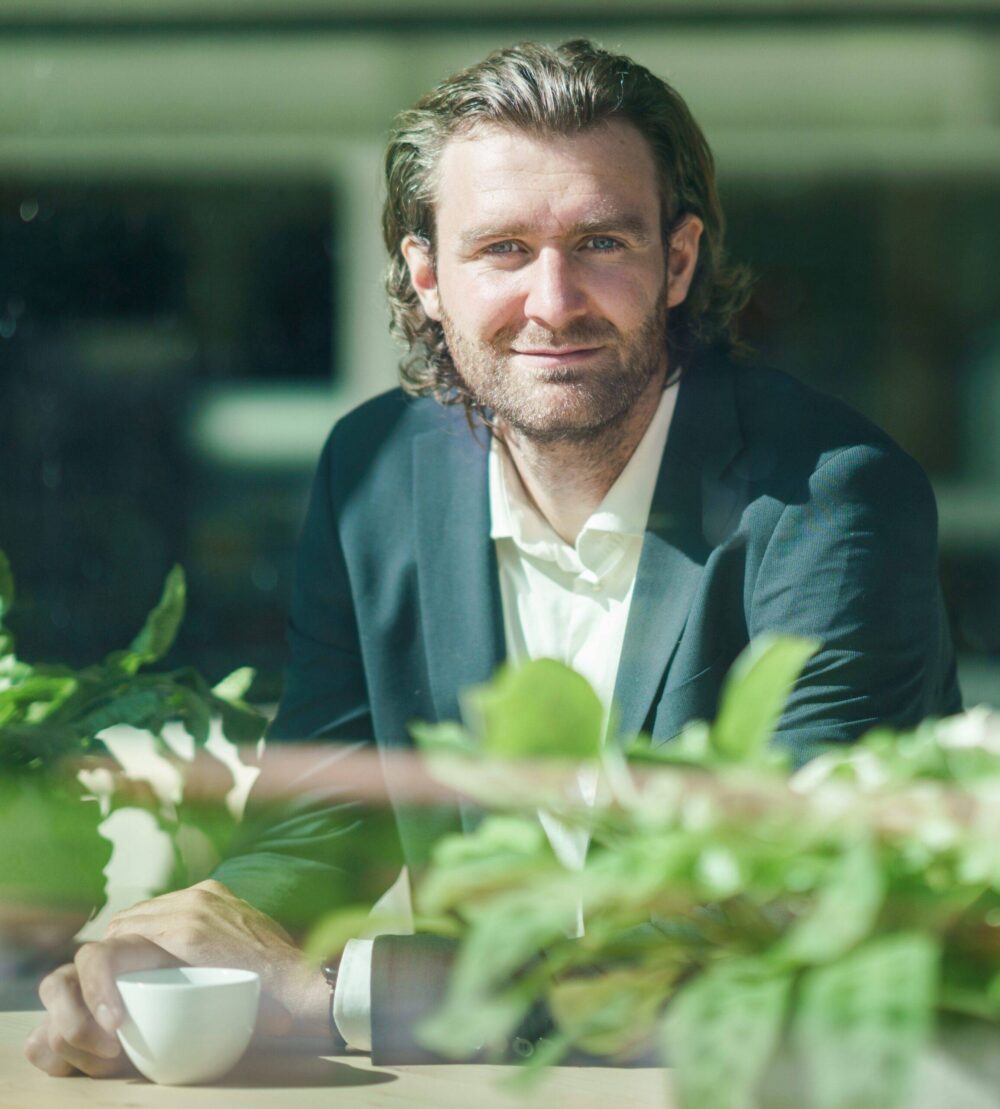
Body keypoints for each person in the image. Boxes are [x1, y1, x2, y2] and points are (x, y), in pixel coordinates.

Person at [26, 38, 961, 1077]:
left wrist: (333, 991)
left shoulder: (829, 498)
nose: (553, 301)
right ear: (426, 275)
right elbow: (330, 816)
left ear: (679, 261)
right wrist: (184, 947)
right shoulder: (376, 472)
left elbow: (780, 915)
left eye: (601, 241)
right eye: (503, 249)